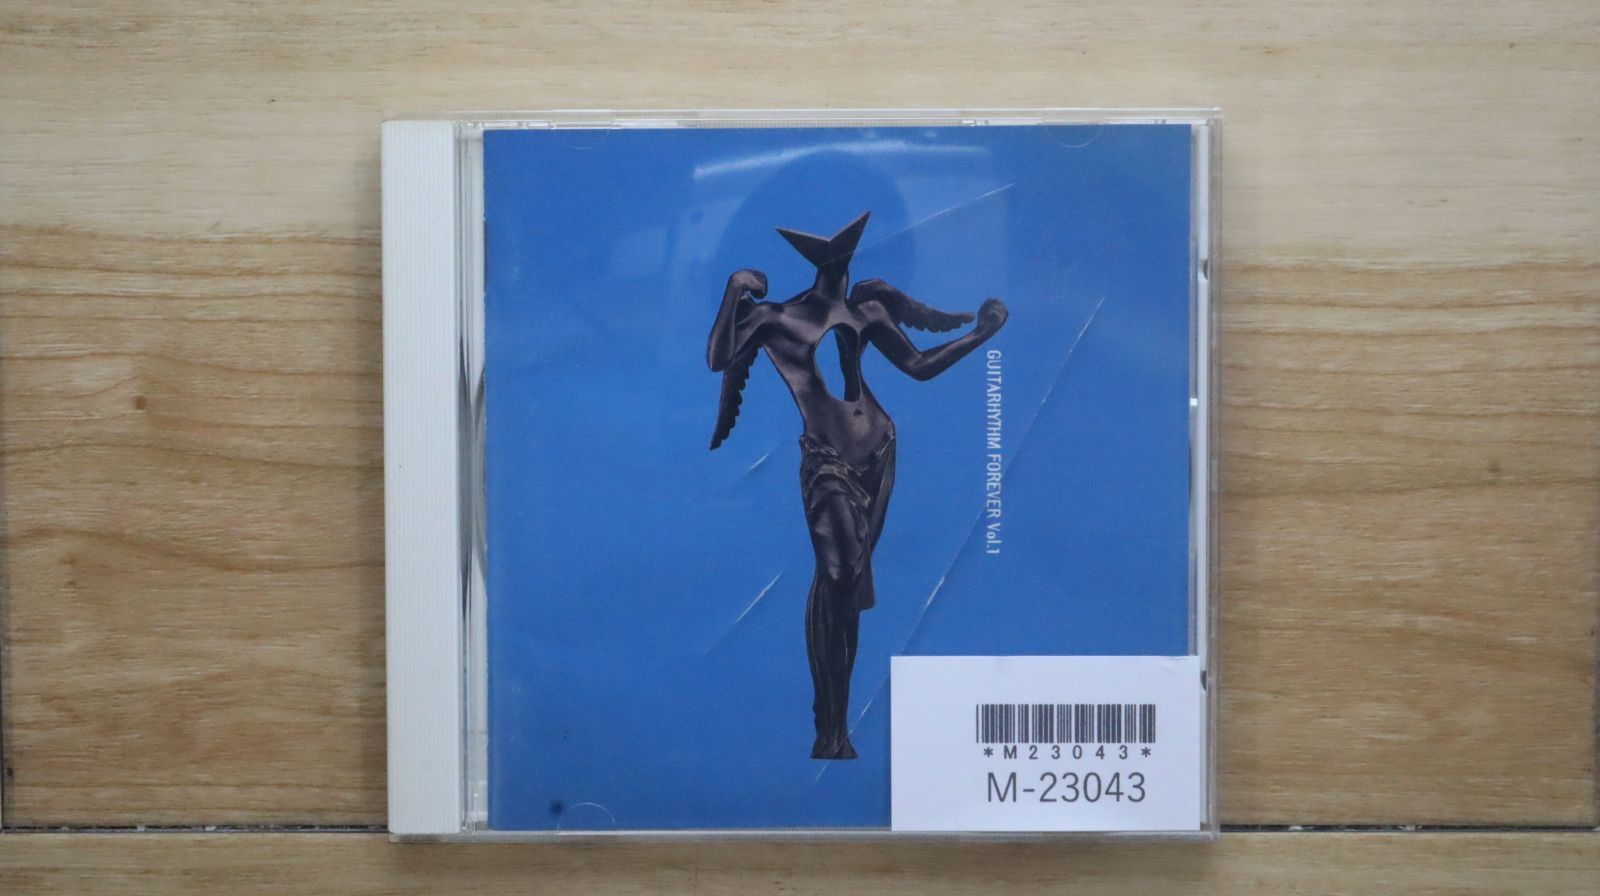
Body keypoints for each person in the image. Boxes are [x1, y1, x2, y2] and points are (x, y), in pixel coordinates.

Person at [708, 211, 1007, 759]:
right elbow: (719, 358)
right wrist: (733, 291)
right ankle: (829, 720)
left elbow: (918, 364)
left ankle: (836, 726)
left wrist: (978, 335)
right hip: (827, 461)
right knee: (840, 573)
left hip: (880, 454)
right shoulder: (777, 317)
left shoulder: (867, 308)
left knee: (845, 588)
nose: (839, 257)